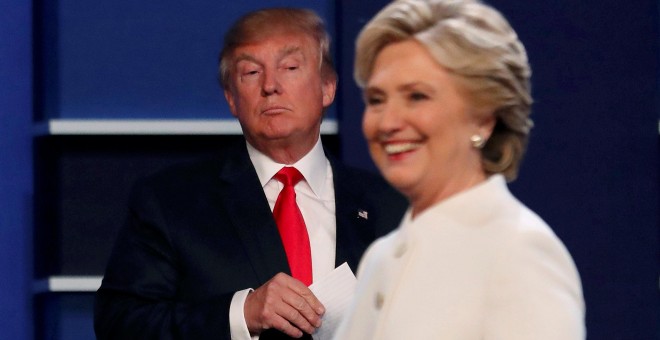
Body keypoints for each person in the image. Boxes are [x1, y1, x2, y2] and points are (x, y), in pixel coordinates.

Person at [94, 8, 407, 340]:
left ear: (327, 88)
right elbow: (120, 324)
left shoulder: (392, 206)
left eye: (289, 67)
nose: (270, 86)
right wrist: (241, 313)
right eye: (251, 72)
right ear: (231, 99)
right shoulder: (170, 202)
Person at [333, 0, 586, 339]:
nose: (388, 122)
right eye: (377, 100)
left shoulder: (518, 251)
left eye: (417, 96)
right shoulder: (379, 259)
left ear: (483, 117)